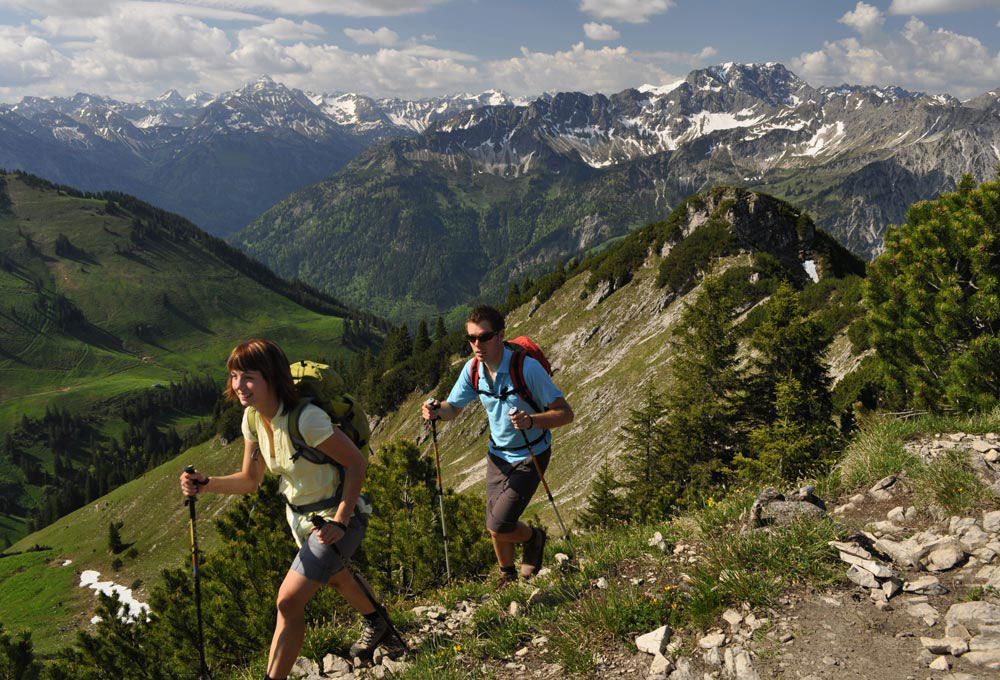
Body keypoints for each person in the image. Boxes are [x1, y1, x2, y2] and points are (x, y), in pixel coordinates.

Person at [180, 338, 384, 680]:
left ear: (271, 377)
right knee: (335, 577)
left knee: (287, 602)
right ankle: (379, 623)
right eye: (233, 376)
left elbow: (356, 464)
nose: (239, 386)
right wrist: (206, 483)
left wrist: (342, 520)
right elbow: (250, 479)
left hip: (337, 516)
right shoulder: (253, 420)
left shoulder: (307, 420)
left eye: (248, 377)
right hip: (301, 520)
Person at [421, 305, 573, 584]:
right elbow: (453, 408)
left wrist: (532, 421)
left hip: (531, 453)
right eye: (471, 338)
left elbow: (565, 413)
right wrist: (435, 410)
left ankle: (534, 539)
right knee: (495, 527)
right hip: (497, 455)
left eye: (484, 337)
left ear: (501, 335)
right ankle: (508, 576)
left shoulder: (527, 369)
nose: (476, 344)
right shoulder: (474, 369)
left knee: (499, 523)